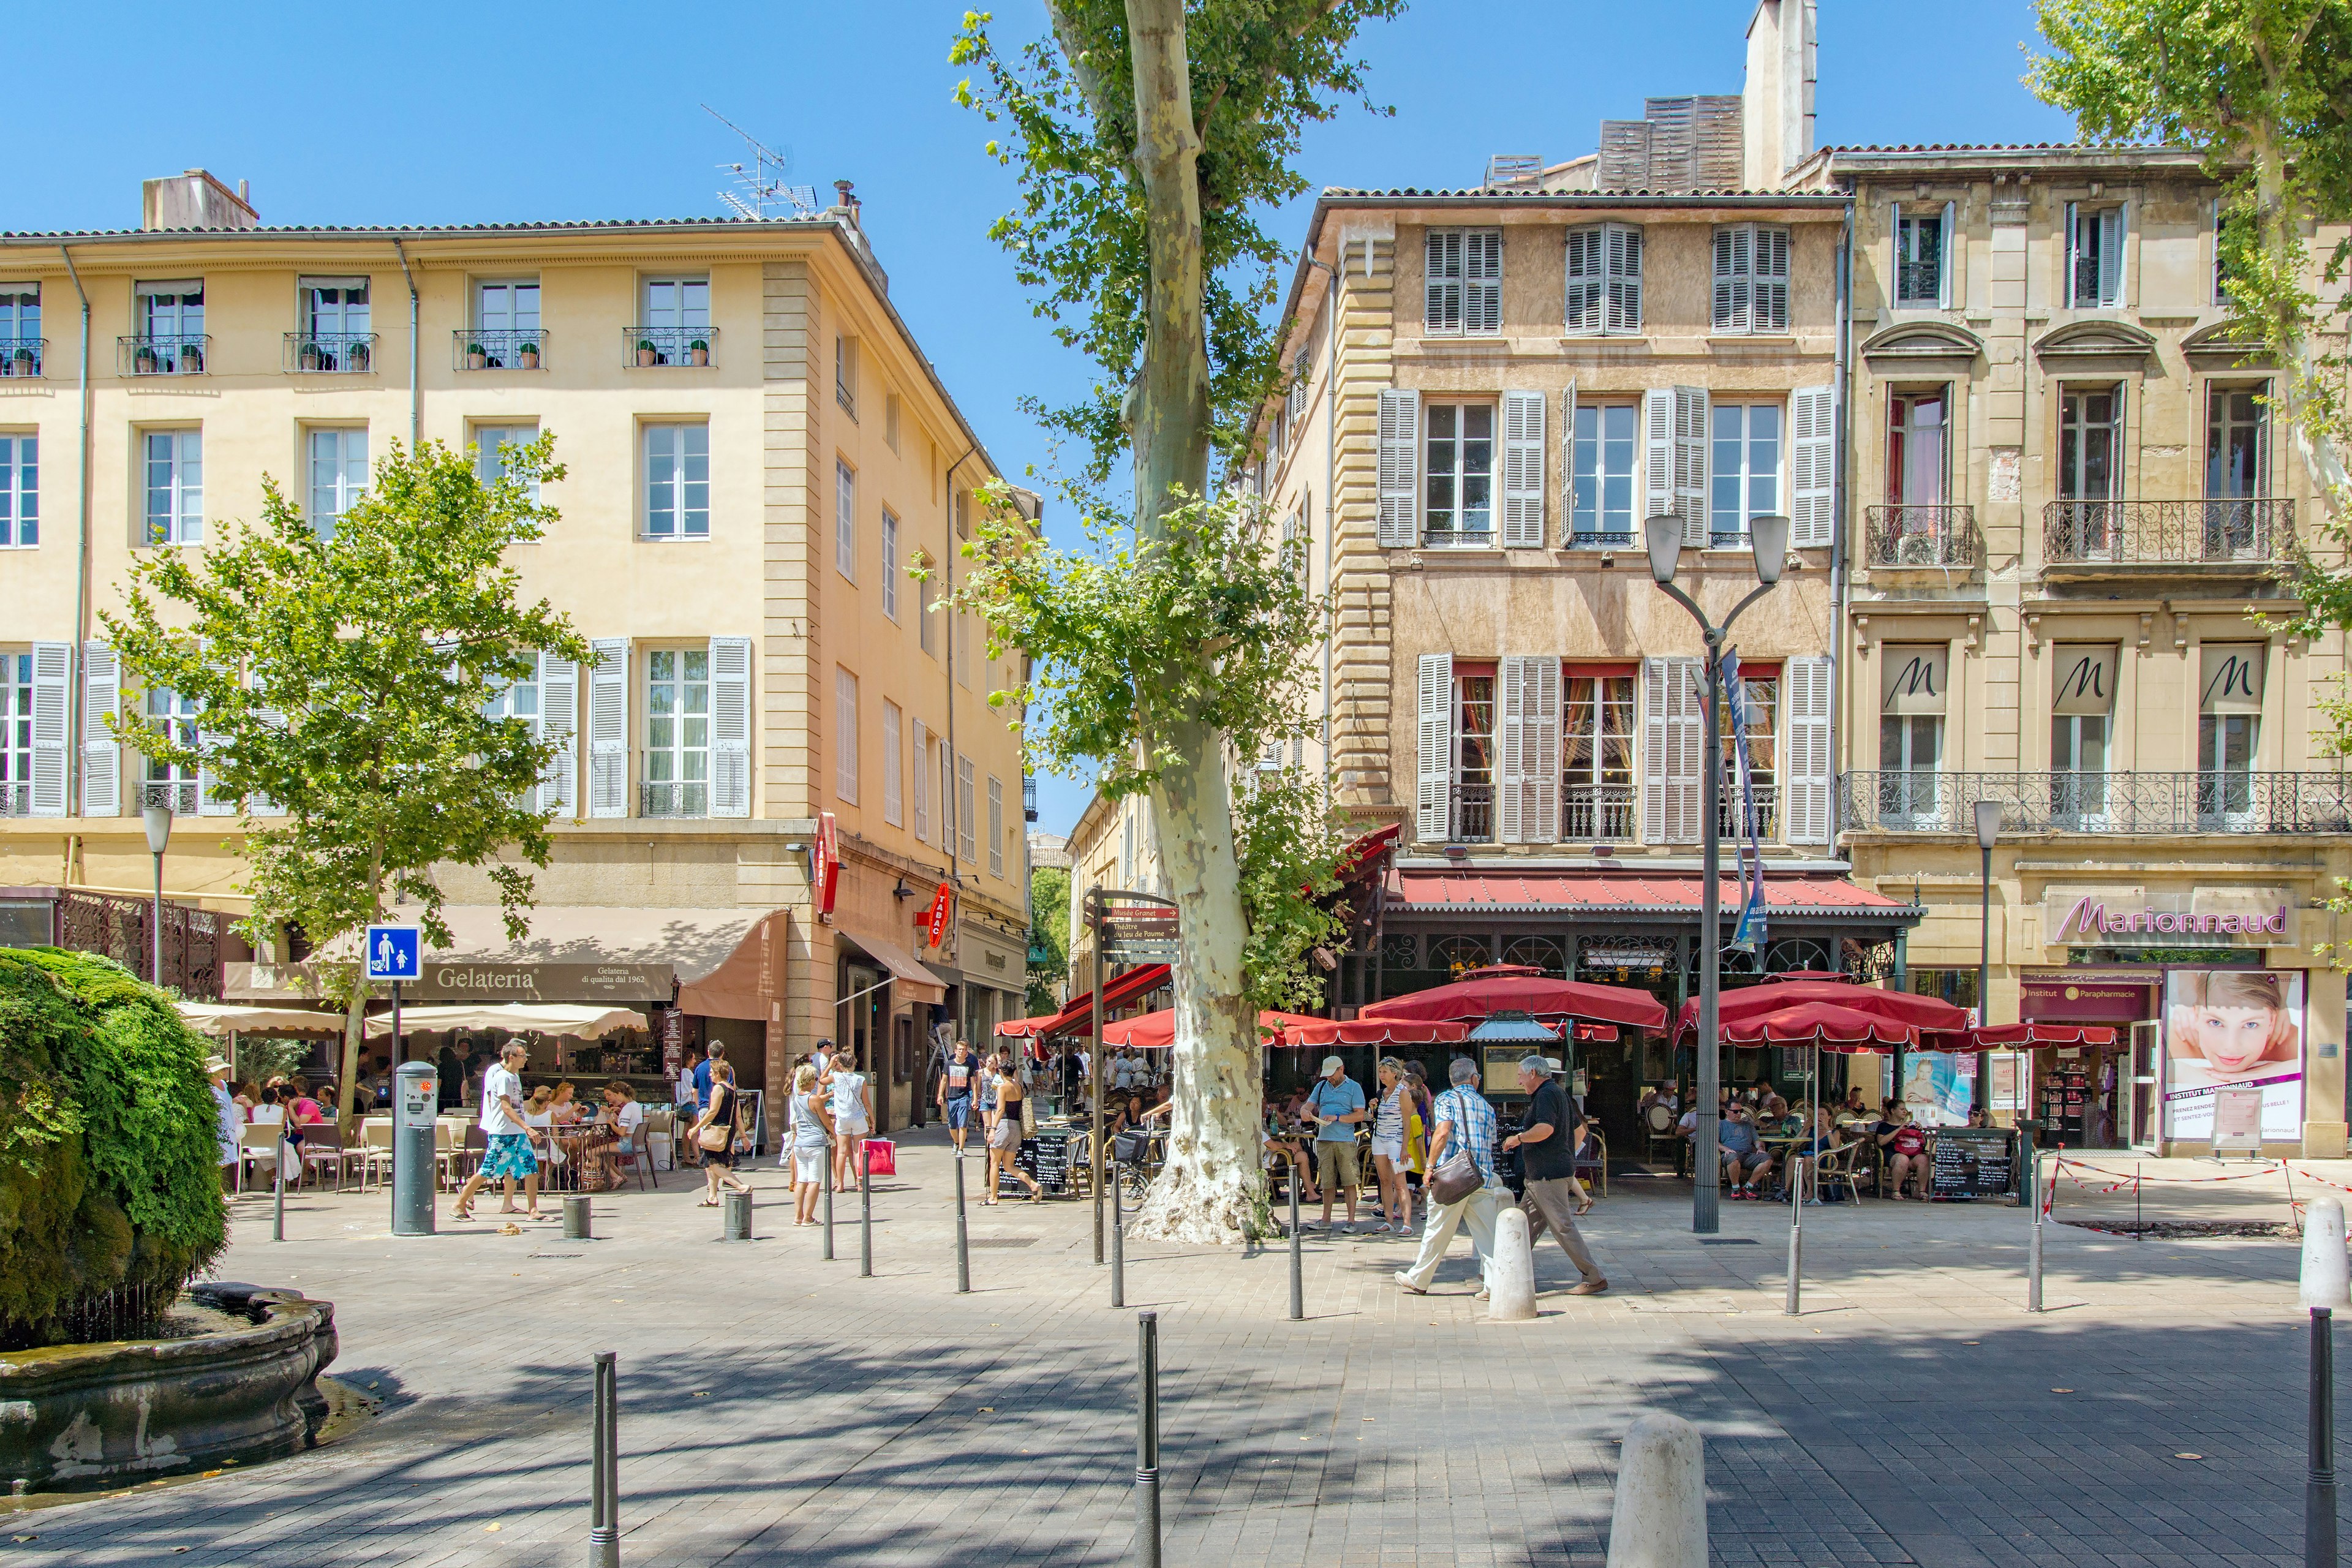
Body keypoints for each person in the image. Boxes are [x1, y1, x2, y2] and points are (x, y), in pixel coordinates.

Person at [1395, 1057, 1507, 1298]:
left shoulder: (1446, 1098)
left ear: (1452, 1079)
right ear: (1474, 1078)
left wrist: (1430, 1167)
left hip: (1453, 1177)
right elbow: (1491, 1143)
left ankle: (1419, 1279)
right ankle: (1495, 1284)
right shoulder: (1487, 1106)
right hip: (1482, 1177)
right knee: (1488, 1236)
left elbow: (1443, 1131)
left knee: (1437, 1230)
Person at [1502, 1056, 1608, 1295]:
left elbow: (1546, 1129)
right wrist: (1566, 1156)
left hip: (1546, 1177)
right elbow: (1580, 1130)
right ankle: (1502, 1277)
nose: (1519, 1082)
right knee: (1523, 1229)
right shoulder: (1557, 1094)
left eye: (1520, 1075)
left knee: (1562, 1227)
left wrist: (1517, 1139)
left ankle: (1594, 1277)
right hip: (1541, 1175)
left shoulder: (1547, 1095)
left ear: (1532, 1074)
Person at [453, 1041, 543, 1221]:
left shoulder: (514, 1077)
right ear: (512, 1057)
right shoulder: (502, 1077)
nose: (526, 1060)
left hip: (517, 1133)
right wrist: (528, 1128)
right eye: (523, 1056)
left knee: (531, 1169)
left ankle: (533, 1210)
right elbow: (506, 1107)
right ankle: (459, 1204)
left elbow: (516, 1107)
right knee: (488, 1170)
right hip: (503, 1133)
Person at [1304, 1055, 1368, 1231]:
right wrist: (1305, 1111)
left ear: (1342, 1069)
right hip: (1324, 1139)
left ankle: (1351, 1221)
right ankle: (1326, 1219)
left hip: (1345, 1140)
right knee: (1327, 1181)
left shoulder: (1354, 1087)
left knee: (1349, 1180)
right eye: (1327, 1075)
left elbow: (1360, 1115)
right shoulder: (1322, 1086)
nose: (1329, 1078)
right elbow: (1308, 1105)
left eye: (1332, 1074)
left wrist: (1338, 1118)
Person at [986, 1048, 1043, 1205]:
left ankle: (993, 1197)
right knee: (1009, 1166)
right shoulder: (1018, 1086)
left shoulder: (1003, 1087)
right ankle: (1033, 1184)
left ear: (1002, 1072)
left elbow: (1000, 1110)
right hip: (1017, 1128)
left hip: (1004, 1125)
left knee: (995, 1163)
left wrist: (992, 1130)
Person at [695, 1059, 753, 1207]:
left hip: (717, 1130)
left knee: (714, 1165)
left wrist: (696, 1128)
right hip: (728, 1130)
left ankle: (741, 1186)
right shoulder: (732, 1090)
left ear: (717, 1073)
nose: (709, 1075)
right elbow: (738, 1115)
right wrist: (744, 1135)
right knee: (714, 1163)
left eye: (711, 1072)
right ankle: (712, 1197)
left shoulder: (718, 1089)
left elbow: (712, 1112)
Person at [1369, 1058, 1414, 1235]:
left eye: (1385, 1072)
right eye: (1380, 1072)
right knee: (1385, 1181)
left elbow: (1407, 1122)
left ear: (1395, 1073)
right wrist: (1372, 1108)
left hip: (1396, 1141)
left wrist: (1404, 1148)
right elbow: (1369, 1120)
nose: (1382, 1075)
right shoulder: (1381, 1094)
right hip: (1379, 1139)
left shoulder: (1403, 1093)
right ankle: (1389, 1220)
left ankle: (1407, 1223)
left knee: (1401, 1183)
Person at [790, 1063, 834, 1226]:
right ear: (809, 1080)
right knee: (815, 1180)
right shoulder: (814, 1099)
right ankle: (808, 1217)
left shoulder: (796, 1099)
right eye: (815, 1078)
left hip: (800, 1143)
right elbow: (827, 1122)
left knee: (801, 1180)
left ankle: (798, 1216)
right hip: (816, 1143)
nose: (816, 1081)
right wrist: (834, 1134)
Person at [829, 1046, 873, 1192]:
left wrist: (830, 1065)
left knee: (841, 1152)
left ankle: (840, 1184)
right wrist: (872, 1120)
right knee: (857, 1151)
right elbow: (866, 1102)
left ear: (840, 1065)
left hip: (842, 1118)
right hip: (859, 1118)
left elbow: (822, 1080)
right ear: (854, 1063)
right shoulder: (861, 1080)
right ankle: (859, 1183)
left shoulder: (837, 1077)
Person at [1718, 1102, 1773, 1199]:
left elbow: (1757, 1141)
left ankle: (1748, 1187)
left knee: (1767, 1158)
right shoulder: (1721, 1125)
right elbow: (1714, 1142)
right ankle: (1735, 1188)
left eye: (1741, 1111)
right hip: (1731, 1154)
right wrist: (1726, 1149)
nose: (1739, 1114)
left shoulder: (1748, 1125)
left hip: (1748, 1154)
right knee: (1733, 1158)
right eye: (1735, 1111)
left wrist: (1760, 1148)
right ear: (1727, 1112)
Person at [1878, 1102, 1931, 1199]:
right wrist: (1899, 1129)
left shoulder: (1911, 1126)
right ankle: (1896, 1191)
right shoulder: (1884, 1126)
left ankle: (1922, 1191)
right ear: (1893, 1111)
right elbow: (1881, 1142)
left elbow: (1923, 1143)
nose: (1905, 1111)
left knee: (1924, 1158)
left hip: (1912, 1154)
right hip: (1893, 1154)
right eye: (1902, 1109)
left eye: (1905, 1109)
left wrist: (1921, 1131)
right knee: (1902, 1159)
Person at [939, 1039, 981, 1156]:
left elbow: (973, 1082)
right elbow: (944, 1081)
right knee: (952, 1125)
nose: (961, 1052)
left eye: (964, 1050)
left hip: (965, 1097)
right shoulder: (949, 1064)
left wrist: (975, 1099)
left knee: (963, 1124)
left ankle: (961, 1149)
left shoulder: (970, 1066)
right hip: (952, 1097)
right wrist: (940, 1095)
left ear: (966, 1052)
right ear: (955, 1051)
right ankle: (956, 1142)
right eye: (959, 1050)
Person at [208, 1058, 241, 1191]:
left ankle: (217, 1192)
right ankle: (218, 1193)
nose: (226, 1071)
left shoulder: (224, 1084)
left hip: (229, 1125)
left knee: (226, 1159)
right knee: (219, 1161)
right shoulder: (208, 1088)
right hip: (218, 1126)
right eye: (223, 1069)